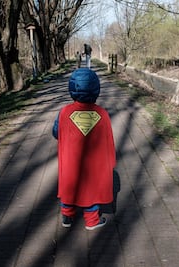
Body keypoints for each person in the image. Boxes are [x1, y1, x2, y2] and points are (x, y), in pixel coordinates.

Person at [52, 68, 116, 230]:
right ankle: (92, 220)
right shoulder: (102, 113)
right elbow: (107, 139)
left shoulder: (64, 112)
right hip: (93, 161)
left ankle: (67, 217)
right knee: (92, 187)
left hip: (70, 159)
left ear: (71, 88)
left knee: (69, 184)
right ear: (96, 90)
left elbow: (56, 132)